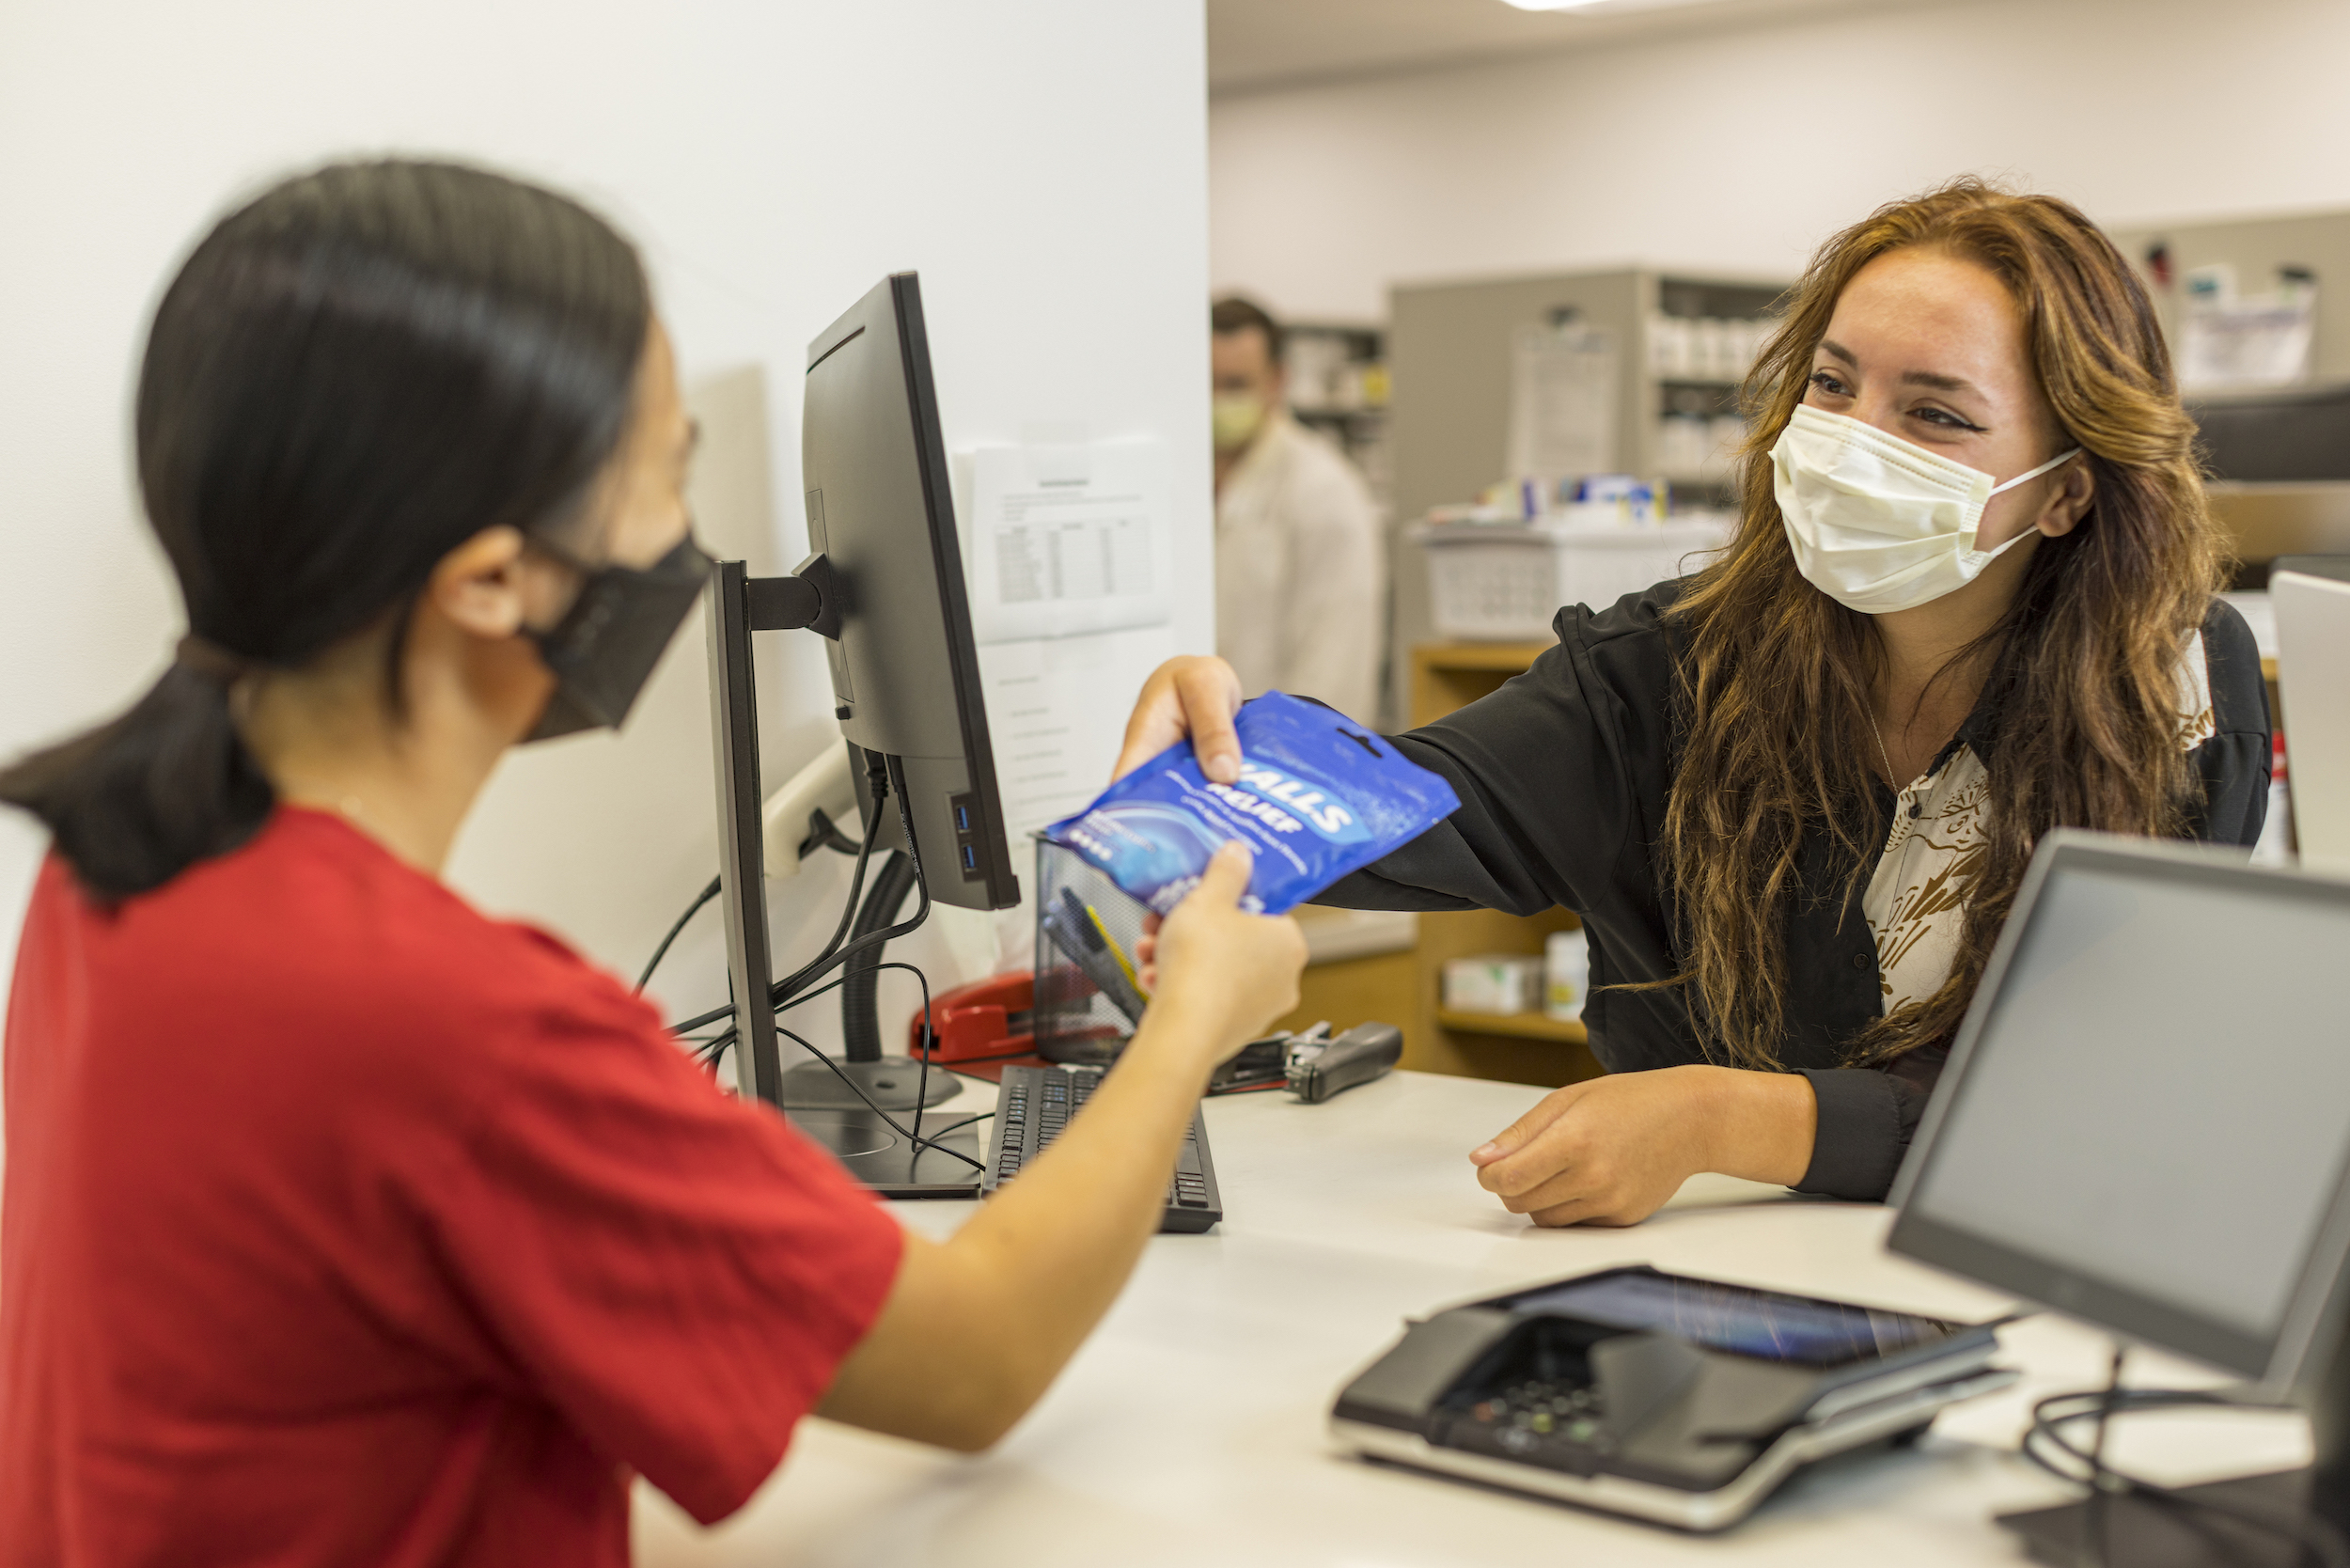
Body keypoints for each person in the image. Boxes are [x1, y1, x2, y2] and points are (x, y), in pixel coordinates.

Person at [0, 160, 1306, 1562]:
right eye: (663, 477)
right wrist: (1184, 1028)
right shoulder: (455, 1030)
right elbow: (974, 1358)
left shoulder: (126, 863)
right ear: (494, 579)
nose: (686, 547)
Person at [1126, 180, 2268, 1228]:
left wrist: (1718, 1120)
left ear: (2065, 490)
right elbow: (1423, 802)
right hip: (1704, 1266)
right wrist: (1213, 763)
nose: (1847, 442)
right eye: (1831, 383)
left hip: (2014, 1270)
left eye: (1934, 416)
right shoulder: (1672, 664)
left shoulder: (2170, 694)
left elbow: (2061, 1094)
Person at [1210, 296, 1385, 724]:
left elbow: (1334, 668)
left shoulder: (1323, 489)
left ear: (1277, 380)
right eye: (1207, 383)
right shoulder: (1177, 480)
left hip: (1280, 758)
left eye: (1235, 385)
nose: (1217, 401)